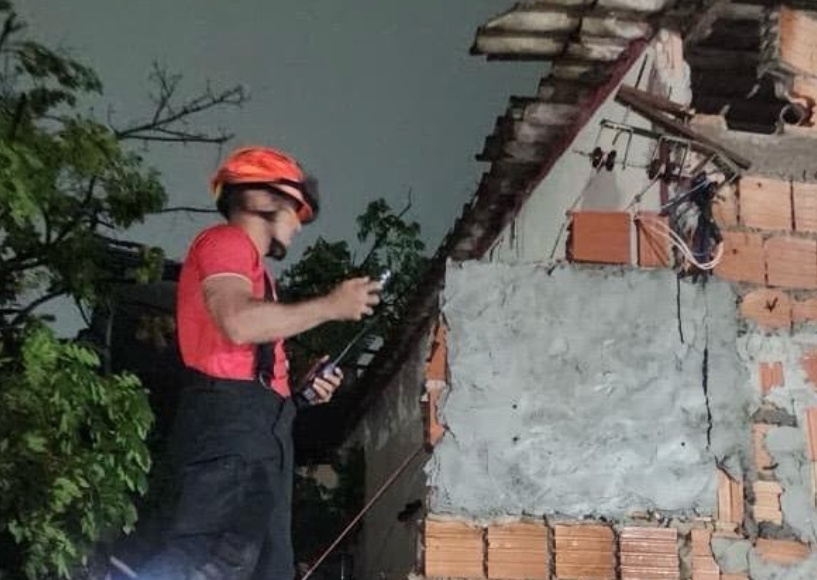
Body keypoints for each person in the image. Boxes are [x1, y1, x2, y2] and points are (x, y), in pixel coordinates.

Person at [133, 146, 382, 579]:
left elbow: (250, 366)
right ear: (266, 200)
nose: (299, 226)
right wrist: (331, 305)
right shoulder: (225, 242)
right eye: (296, 211)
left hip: (258, 438)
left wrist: (297, 396)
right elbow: (237, 322)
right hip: (228, 434)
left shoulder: (259, 273)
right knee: (209, 562)